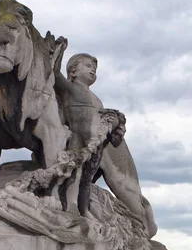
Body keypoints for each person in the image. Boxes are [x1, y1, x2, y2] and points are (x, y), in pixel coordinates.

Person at [53, 45, 157, 238]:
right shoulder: (70, 89)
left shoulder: (95, 99)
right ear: (73, 71)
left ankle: (84, 210)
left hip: (96, 146)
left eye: (95, 68)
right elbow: (54, 74)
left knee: (85, 181)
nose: (93, 70)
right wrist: (57, 52)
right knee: (76, 175)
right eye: (88, 65)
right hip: (78, 141)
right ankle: (73, 206)